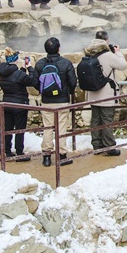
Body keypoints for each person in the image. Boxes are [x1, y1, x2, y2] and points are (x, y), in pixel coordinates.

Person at [83, 30, 127, 156]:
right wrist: (118, 52)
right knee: (107, 120)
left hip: (93, 94)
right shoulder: (108, 55)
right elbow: (123, 65)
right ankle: (109, 148)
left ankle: (97, 146)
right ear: (106, 41)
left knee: (95, 120)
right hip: (106, 94)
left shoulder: (89, 52)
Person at [34, 37, 76, 167]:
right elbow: (73, 82)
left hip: (47, 101)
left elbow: (35, 83)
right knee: (61, 128)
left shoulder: (40, 64)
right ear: (59, 48)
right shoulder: (66, 63)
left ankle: (46, 156)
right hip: (62, 101)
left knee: (48, 128)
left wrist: (44, 92)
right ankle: (61, 156)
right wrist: (67, 92)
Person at [0, 47, 38, 161]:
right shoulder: (18, 74)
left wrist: (22, 71)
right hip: (19, 104)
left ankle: (7, 152)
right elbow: (32, 81)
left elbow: (16, 79)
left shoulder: (1, 72)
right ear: (15, 59)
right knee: (19, 129)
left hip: (6, 103)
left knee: (8, 128)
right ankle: (19, 153)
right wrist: (30, 68)